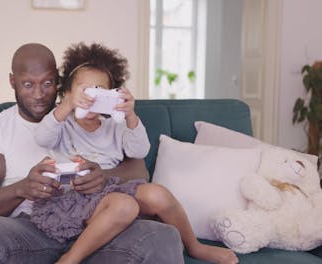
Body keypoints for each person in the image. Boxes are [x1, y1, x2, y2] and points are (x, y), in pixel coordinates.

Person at [0, 43, 185, 264]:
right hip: (31, 229)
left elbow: (139, 170)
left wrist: (102, 176)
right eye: (27, 84)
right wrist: (23, 188)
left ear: (59, 82)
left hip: (98, 226)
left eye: (47, 83)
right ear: (12, 82)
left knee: (163, 236)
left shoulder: (86, 116)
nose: (39, 94)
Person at [30, 42, 239, 264]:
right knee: (124, 204)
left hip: (109, 190)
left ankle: (194, 246)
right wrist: (67, 106)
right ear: (67, 93)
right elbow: (42, 137)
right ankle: (70, 259)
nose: (91, 98)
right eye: (84, 90)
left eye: (100, 91)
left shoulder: (115, 127)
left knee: (158, 194)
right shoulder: (63, 124)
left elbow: (139, 150)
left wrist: (130, 115)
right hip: (74, 196)